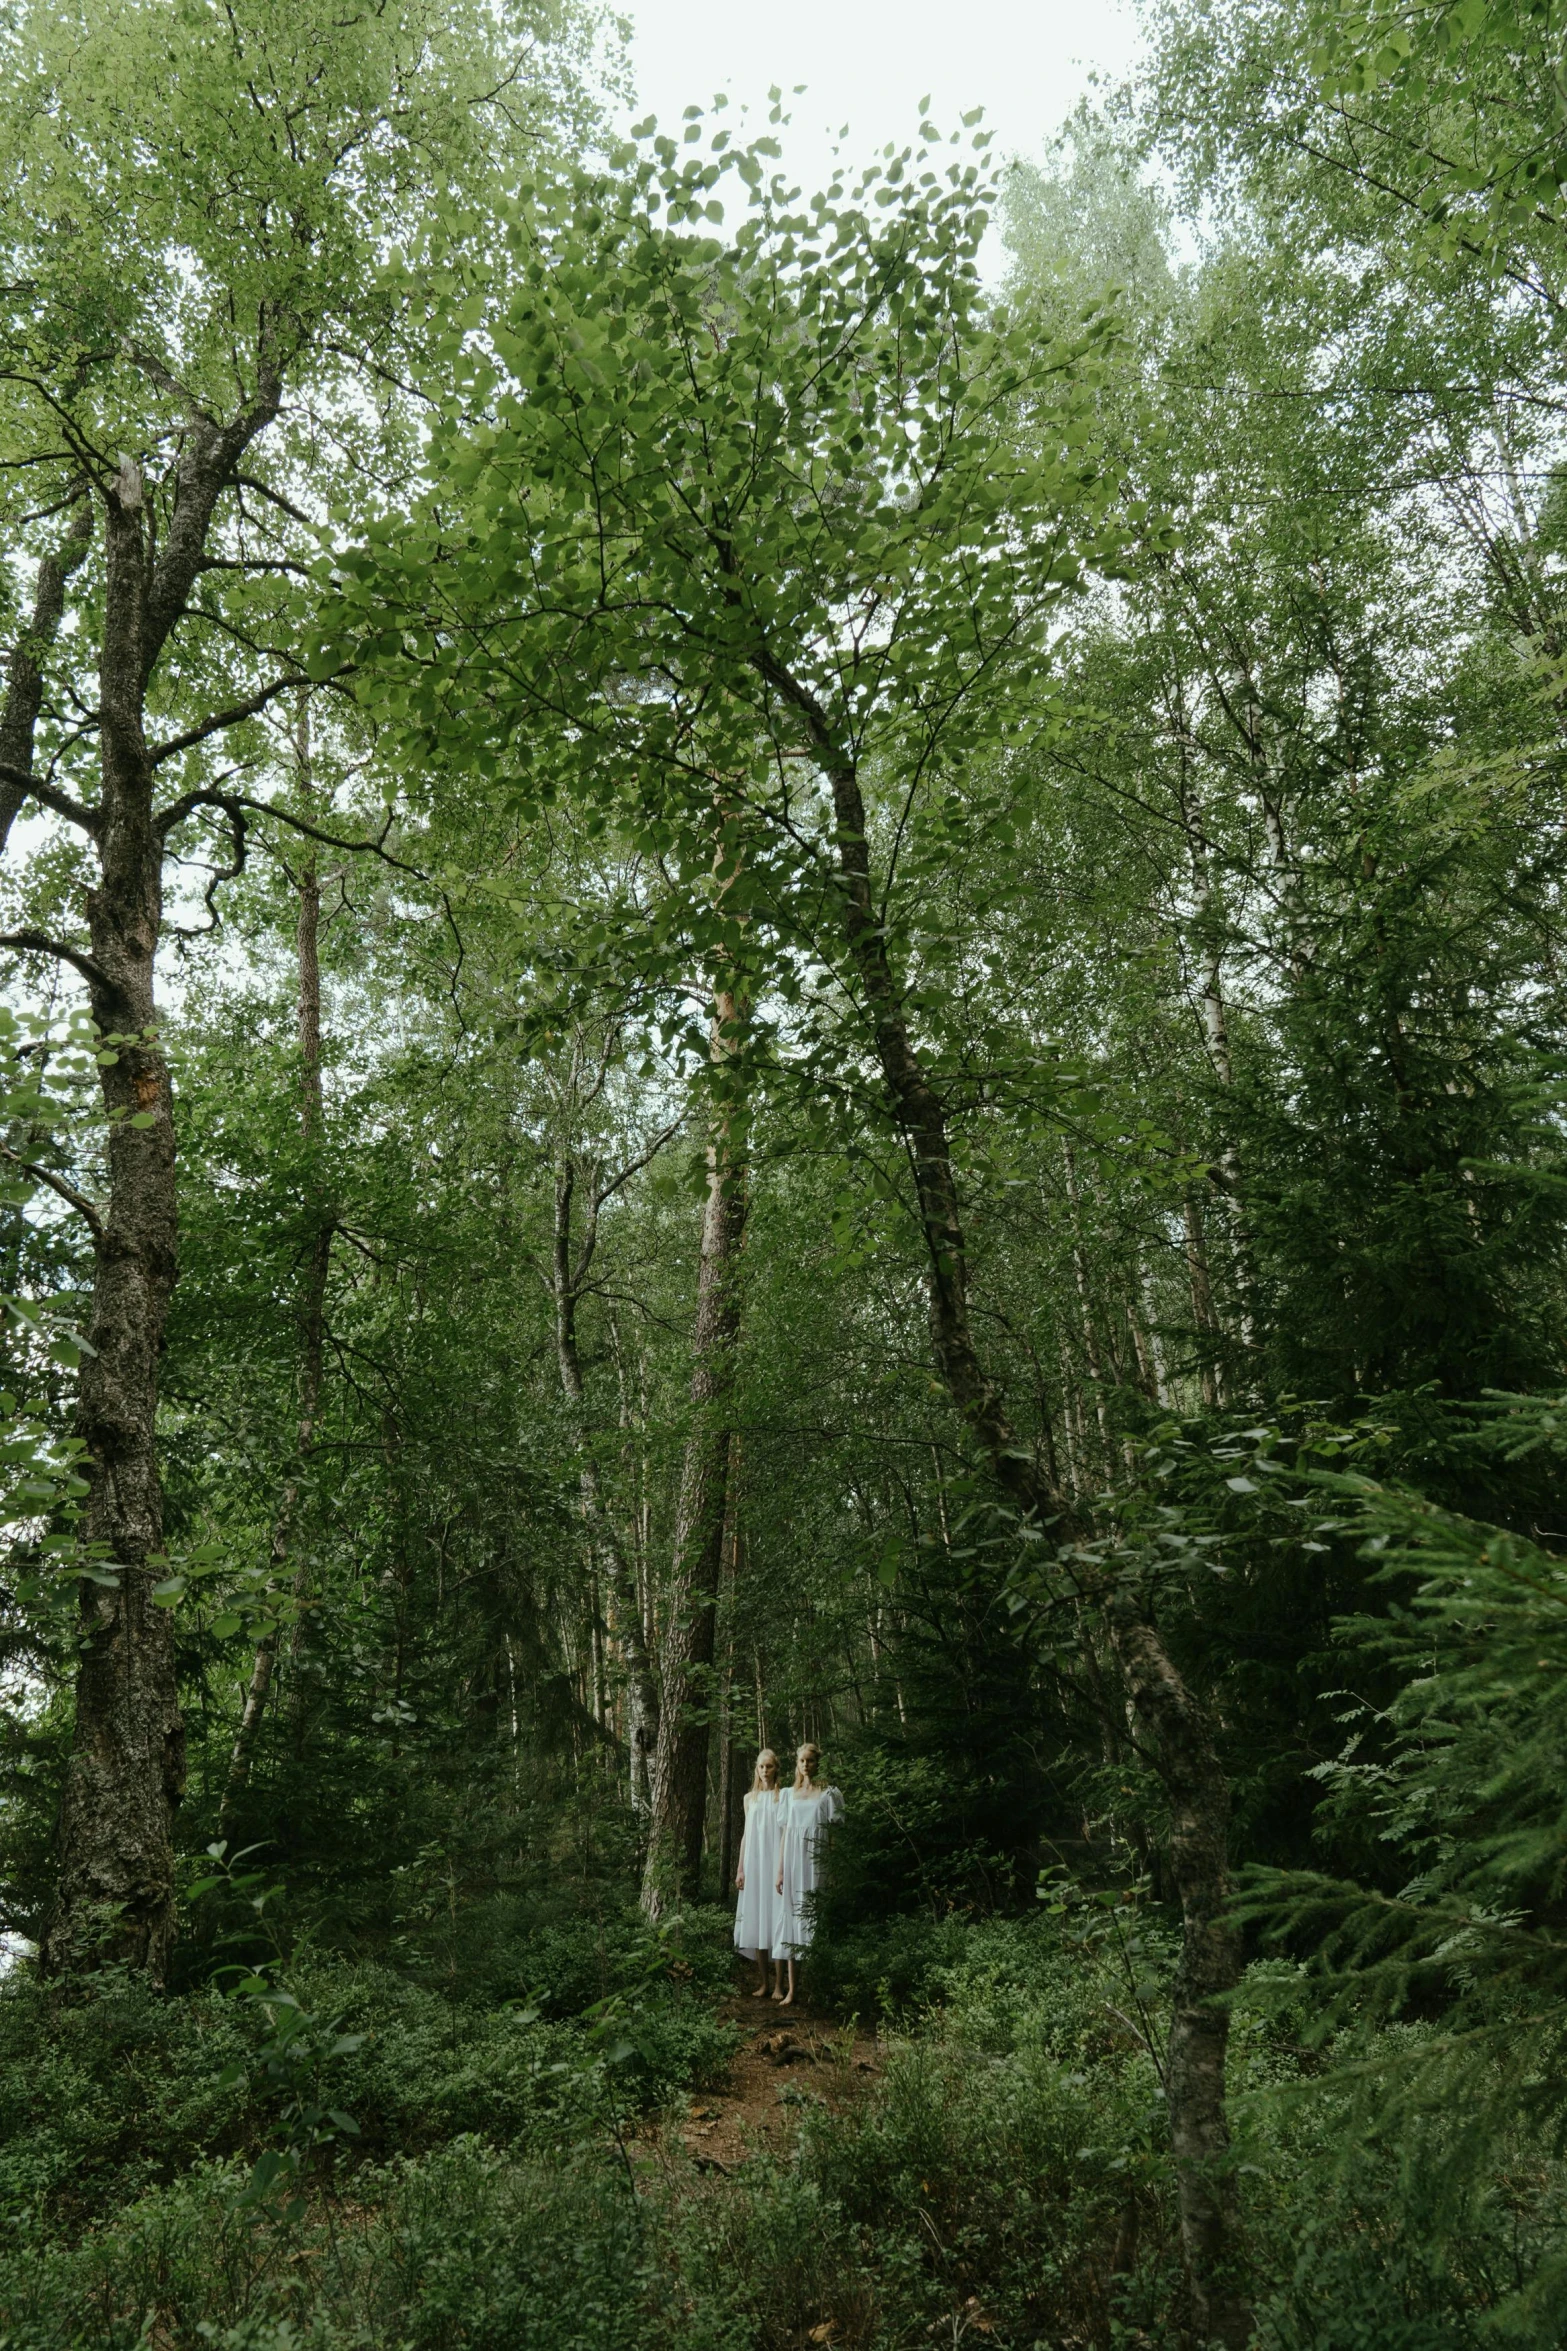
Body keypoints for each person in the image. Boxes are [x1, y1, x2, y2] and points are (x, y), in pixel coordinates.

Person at [773, 1740, 844, 2006]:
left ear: (817, 1763)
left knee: (815, 1917)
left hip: (816, 1862)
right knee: (791, 1917)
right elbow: (785, 1834)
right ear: (797, 1764)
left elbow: (834, 1834)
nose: (805, 1765)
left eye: (810, 1761)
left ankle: (818, 1987)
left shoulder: (829, 1793)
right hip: (792, 1860)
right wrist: (780, 1870)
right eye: (802, 1761)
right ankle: (792, 1990)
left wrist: (834, 1865)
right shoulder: (789, 1794)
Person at [733, 1748, 784, 1996]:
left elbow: (785, 1833)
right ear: (757, 1769)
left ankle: (779, 1985)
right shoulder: (748, 1799)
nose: (765, 1771)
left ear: (776, 1769)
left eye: (769, 1767)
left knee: (777, 1921)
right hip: (754, 1865)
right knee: (759, 1920)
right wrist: (741, 1868)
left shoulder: (783, 1797)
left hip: (774, 1864)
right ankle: (764, 1983)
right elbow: (746, 1836)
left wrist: (782, 1868)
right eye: (761, 1767)